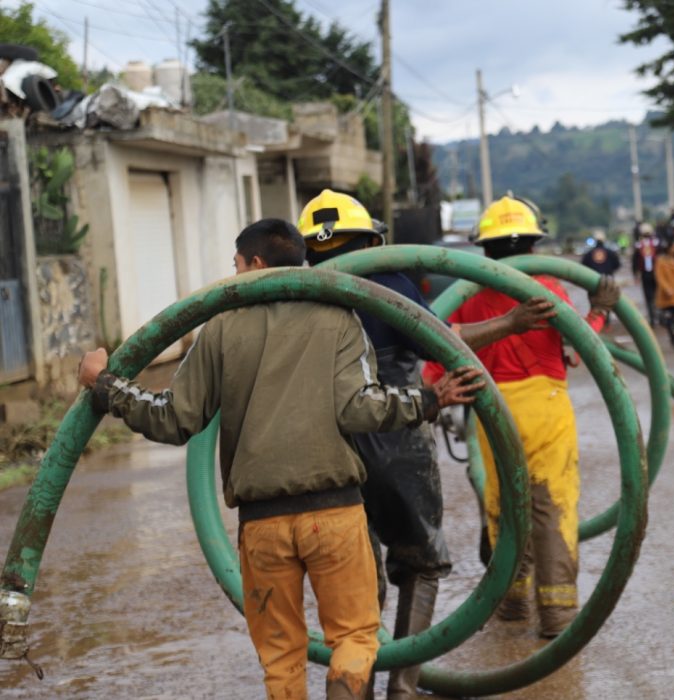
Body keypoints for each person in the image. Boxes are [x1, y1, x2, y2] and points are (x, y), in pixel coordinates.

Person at [75, 218, 485, 700]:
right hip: (335, 515)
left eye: (235, 265)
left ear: (255, 264)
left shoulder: (221, 327)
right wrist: (429, 400)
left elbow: (173, 419)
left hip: (263, 524)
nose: (233, 275)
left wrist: (105, 385)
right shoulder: (338, 318)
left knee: (282, 658)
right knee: (354, 639)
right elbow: (361, 407)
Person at [295, 190, 555, 700]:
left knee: (354, 573)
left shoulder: (294, 295)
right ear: (370, 238)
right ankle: (404, 686)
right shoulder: (387, 282)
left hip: (322, 444)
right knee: (421, 561)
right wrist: (512, 322)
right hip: (395, 433)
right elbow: (444, 337)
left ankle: (355, 688)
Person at [423, 193, 620, 639]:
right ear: (533, 245)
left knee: (506, 510)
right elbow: (584, 346)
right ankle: (557, 617)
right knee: (552, 507)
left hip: (494, 414)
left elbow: (433, 361)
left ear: (485, 249)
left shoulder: (465, 297)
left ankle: (511, 605)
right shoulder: (546, 289)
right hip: (546, 408)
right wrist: (601, 312)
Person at [632, 222, 661, 327]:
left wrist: (635, 274)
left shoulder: (640, 245)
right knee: (653, 296)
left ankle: (654, 317)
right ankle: (655, 317)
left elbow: (634, 262)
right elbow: (635, 261)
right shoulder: (655, 243)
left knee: (651, 297)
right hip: (649, 273)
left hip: (651, 273)